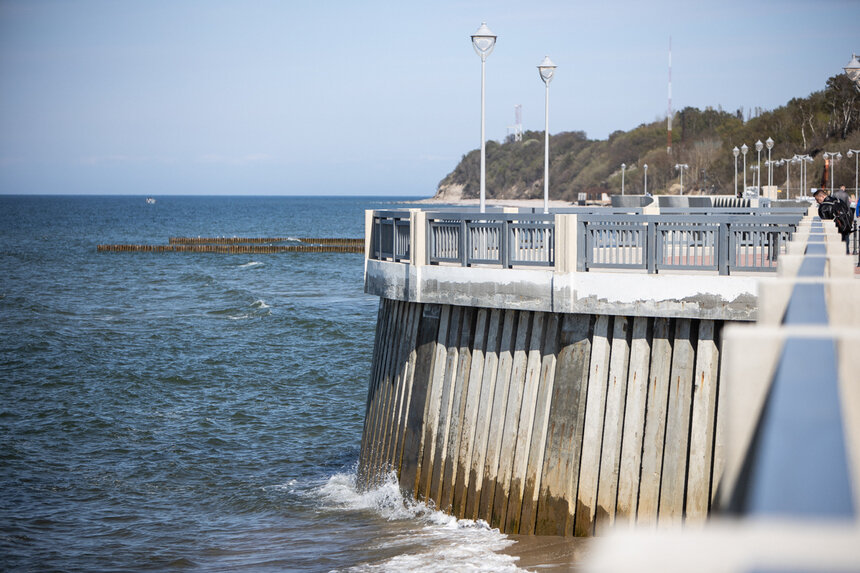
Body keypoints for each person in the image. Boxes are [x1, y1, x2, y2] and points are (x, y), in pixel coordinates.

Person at [813, 188, 853, 254]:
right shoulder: (838, 201)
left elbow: (825, 223)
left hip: (836, 232)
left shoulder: (823, 207)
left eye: (817, 199)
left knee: (837, 252)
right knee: (845, 249)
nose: (817, 202)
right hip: (846, 227)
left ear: (822, 196)